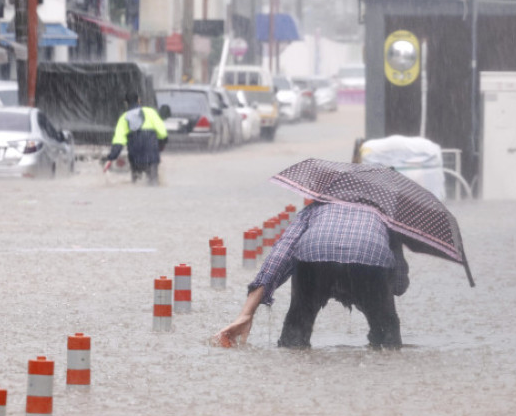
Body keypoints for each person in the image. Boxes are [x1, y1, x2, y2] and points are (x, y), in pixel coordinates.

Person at [216, 201, 409, 350]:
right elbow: (399, 284)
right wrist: (385, 296)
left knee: (295, 337)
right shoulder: (386, 215)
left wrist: (247, 313)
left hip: (314, 258)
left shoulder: (315, 207)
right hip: (369, 259)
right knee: (387, 336)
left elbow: (280, 254)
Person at [103, 91, 168, 185]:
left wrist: (111, 156)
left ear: (126, 103)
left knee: (137, 183)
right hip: (152, 155)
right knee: (154, 184)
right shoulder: (150, 112)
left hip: (135, 157)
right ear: (139, 100)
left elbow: (118, 141)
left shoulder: (124, 118)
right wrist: (162, 143)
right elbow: (162, 132)